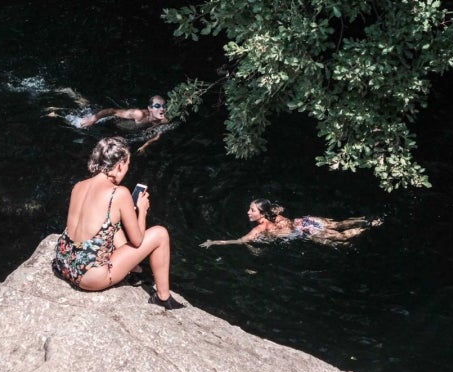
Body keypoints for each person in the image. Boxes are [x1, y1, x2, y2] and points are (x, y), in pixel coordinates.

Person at [52, 136, 185, 310]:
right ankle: (162, 297)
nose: (127, 169)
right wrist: (142, 210)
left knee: (112, 226)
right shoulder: (118, 193)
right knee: (160, 233)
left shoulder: (79, 185)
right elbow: (137, 241)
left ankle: (135, 270)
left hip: (64, 263)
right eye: (128, 165)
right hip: (89, 276)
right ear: (120, 164)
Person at [199, 198, 383, 248]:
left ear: (262, 213)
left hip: (306, 232)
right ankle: (366, 219)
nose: (248, 212)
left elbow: (241, 240)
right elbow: (279, 208)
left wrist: (215, 242)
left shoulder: (261, 227)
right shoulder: (274, 212)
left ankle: (369, 226)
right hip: (306, 221)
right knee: (339, 224)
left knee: (342, 239)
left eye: (252, 210)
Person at [79, 95, 168, 153]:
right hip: (109, 123)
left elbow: (158, 134)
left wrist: (145, 145)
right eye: (157, 106)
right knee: (79, 117)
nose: (161, 109)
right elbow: (112, 111)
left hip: (117, 131)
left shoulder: (163, 120)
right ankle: (70, 92)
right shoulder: (139, 114)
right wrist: (92, 119)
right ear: (150, 108)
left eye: (164, 106)